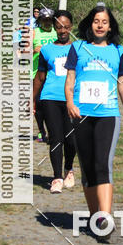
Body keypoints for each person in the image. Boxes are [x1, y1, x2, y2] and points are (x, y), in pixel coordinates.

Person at [65, 3, 123, 242]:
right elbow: (70, 80)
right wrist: (69, 102)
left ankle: (105, 217)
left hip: (108, 114)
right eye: (96, 21)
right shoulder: (78, 48)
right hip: (80, 114)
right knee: (87, 166)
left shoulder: (118, 51)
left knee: (103, 163)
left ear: (110, 26)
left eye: (104, 22)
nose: (100, 25)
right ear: (90, 23)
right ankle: (95, 218)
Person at [32, 10, 77, 193]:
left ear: (71, 27)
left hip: (72, 100)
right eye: (59, 27)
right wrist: (33, 99)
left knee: (71, 139)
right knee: (56, 138)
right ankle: (57, 177)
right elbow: (40, 77)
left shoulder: (79, 49)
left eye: (66, 27)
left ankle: (69, 169)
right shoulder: (47, 50)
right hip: (50, 97)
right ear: (55, 28)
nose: (62, 30)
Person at [31, 7, 57, 143]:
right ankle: (41, 131)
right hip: (37, 73)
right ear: (39, 20)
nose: (47, 22)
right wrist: (32, 49)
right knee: (39, 104)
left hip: (54, 73)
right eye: (44, 20)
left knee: (52, 105)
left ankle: (54, 132)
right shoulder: (35, 32)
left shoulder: (57, 32)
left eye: (49, 20)